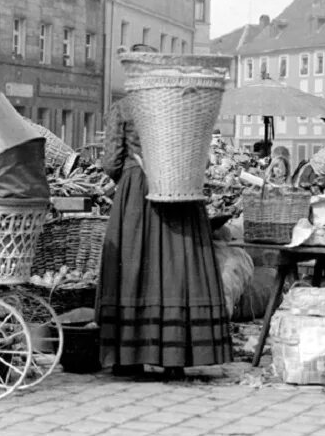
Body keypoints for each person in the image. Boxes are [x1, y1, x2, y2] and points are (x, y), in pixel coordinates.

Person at [97, 95, 232, 379]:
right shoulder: (185, 104)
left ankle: (129, 357)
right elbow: (203, 158)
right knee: (178, 266)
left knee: (133, 267)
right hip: (181, 191)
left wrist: (133, 172)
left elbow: (110, 162)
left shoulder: (123, 107)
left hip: (139, 193)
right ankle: (177, 356)